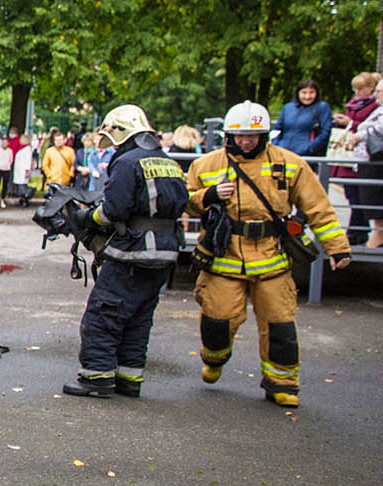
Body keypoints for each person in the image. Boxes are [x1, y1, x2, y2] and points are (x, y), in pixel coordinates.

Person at [186, 101, 351, 407]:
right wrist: (207, 196)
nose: (246, 141)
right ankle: (214, 358)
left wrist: (338, 248)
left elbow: (319, 208)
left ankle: (282, 384)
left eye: (253, 135)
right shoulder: (206, 165)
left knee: (280, 325)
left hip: (271, 260)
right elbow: (184, 201)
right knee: (217, 322)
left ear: (264, 135)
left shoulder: (290, 164)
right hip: (224, 257)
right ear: (228, 136)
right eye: (240, 136)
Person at [60, 106, 188, 398]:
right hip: (165, 254)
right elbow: (182, 201)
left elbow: (114, 209)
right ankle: (129, 380)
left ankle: (97, 378)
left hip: (132, 253)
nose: (113, 146)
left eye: (114, 139)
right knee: (138, 319)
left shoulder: (128, 162)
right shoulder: (168, 161)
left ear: (121, 132)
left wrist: (87, 219)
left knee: (103, 315)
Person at [334, 72, 380, 245]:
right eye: (355, 89)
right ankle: (357, 229)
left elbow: (372, 129)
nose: (357, 92)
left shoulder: (374, 107)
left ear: (370, 88)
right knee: (351, 192)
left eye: (361, 89)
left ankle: (357, 230)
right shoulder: (353, 105)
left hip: (363, 156)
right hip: (349, 154)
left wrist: (351, 124)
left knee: (360, 195)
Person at [272, 80, 333, 159]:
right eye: (304, 92)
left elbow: (325, 132)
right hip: (283, 153)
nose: (307, 96)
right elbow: (277, 129)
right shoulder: (287, 108)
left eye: (311, 92)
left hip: (307, 156)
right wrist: (276, 144)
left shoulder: (322, 107)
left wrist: (310, 148)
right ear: (298, 93)